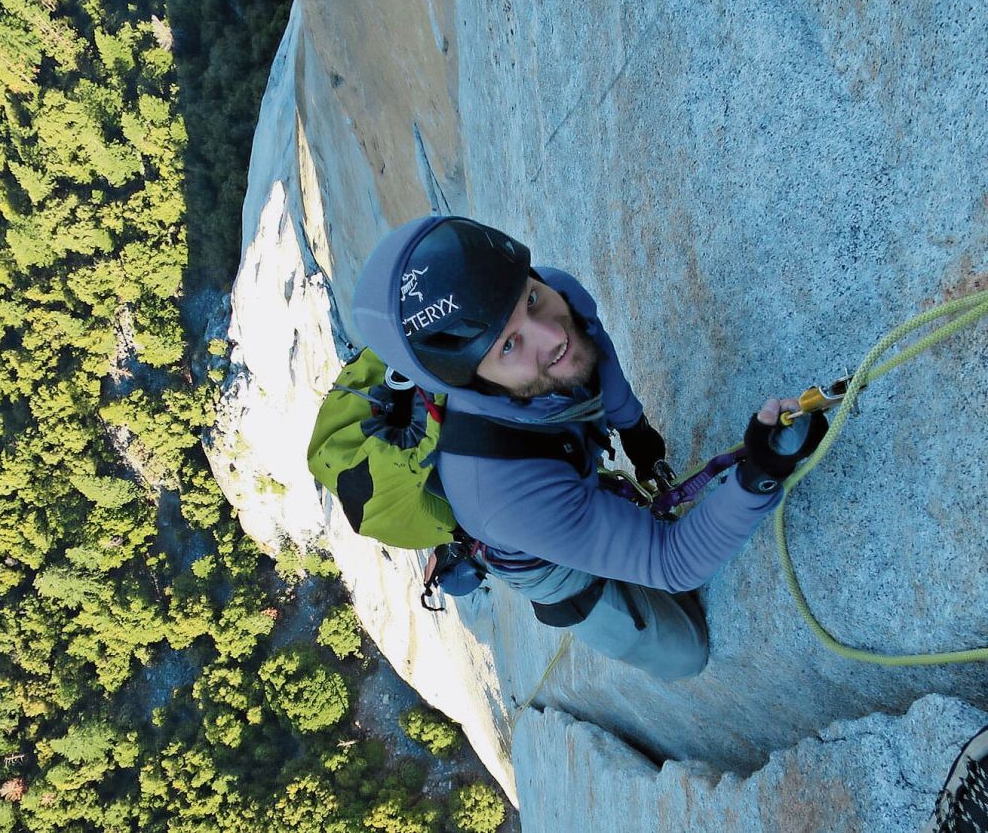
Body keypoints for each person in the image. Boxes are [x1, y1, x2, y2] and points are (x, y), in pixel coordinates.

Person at [353, 215, 827, 681]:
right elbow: (673, 561)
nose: (553, 335)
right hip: (545, 561)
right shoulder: (501, 494)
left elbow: (594, 358)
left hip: (557, 465)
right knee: (686, 654)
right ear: (471, 381)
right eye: (509, 346)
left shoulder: (557, 294)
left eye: (530, 299)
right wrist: (760, 474)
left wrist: (635, 430)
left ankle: (600, 530)